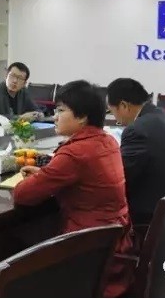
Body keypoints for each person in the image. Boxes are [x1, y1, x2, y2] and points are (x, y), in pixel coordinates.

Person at [13, 80, 134, 297]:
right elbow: (85, 177)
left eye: (60, 110)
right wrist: (47, 175)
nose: (55, 117)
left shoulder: (75, 153)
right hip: (113, 241)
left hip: (86, 249)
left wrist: (37, 178)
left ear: (82, 117)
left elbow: (22, 195)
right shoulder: (107, 141)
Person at [107, 78, 165, 224]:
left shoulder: (137, 129)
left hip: (151, 216)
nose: (117, 120)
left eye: (113, 111)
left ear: (123, 105)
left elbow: (121, 178)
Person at [0, 62, 42, 128]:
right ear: (6, 76)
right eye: (12, 76)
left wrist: (37, 115)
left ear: (24, 83)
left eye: (20, 78)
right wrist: (20, 118)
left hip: (16, 131)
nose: (15, 81)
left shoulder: (24, 92)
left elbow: (36, 110)